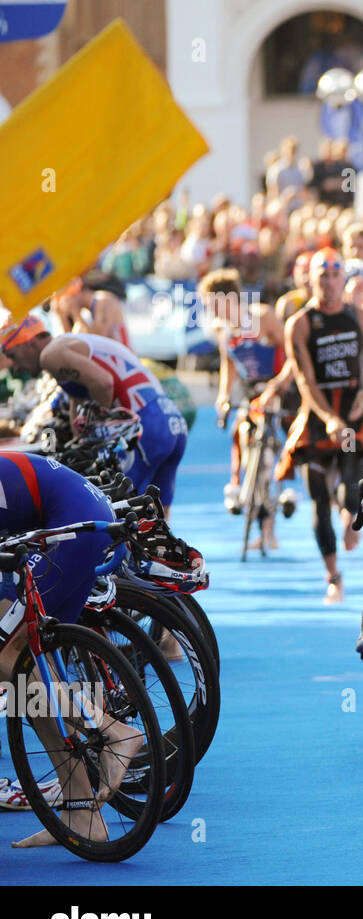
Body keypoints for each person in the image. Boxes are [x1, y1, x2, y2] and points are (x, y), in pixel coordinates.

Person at [0, 443, 138, 847]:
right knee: (29, 674)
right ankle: (82, 815)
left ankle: (113, 732)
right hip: (76, 515)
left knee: (11, 659)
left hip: (74, 522)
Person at [277, 247, 363, 604]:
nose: (328, 283)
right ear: (310, 280)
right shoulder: (300, 324)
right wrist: (328, 419)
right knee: (318, 496)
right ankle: (333, 575)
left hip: (353, 417)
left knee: (349, 493)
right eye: (321, 276)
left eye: (334, 275)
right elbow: (305, 380)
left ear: (345, 279)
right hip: (317, 419)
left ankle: (350, 516)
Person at [0, 317, 188, 517]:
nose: (15, 367)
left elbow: (104, 383)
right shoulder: (70, 346)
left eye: (12, 355)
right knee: (158, 524)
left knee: (120, 515)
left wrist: (99, 428)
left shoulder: (51, 355)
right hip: (170, 421)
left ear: (29, 343)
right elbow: (78, 402)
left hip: (143, 427)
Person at [201, 269, 294, 547]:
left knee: (271, 453)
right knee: (240, 433)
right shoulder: (224, 329)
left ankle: (276, 512)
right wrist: (223, 396)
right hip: (252, 392)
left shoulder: (262, 315)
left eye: (211, 302)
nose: (208, 309)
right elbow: (227, 364)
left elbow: (292, 351)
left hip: (280, 387)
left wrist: (280, 383)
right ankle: (239, 490)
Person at [52, 278, 131, 349]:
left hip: (122, 359)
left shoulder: (103, 300)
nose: (65, 304)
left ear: (76, 293)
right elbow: (70, 343)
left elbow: (99, 337)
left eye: (65, 300)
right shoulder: (86, 312)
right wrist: (62, 317)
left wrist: (75, 314)